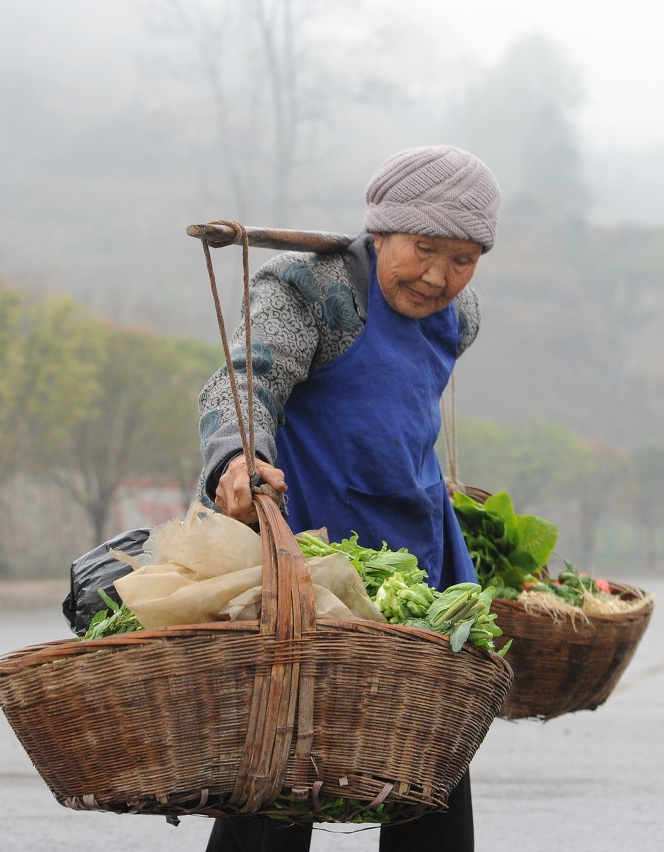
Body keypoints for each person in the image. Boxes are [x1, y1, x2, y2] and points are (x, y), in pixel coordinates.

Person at [196, 144, 501, 852]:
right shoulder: (314, 292)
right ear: (381, 232)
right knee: (277, 772)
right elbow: (244, 382)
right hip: (308, 562)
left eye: (463, 259)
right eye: (423, 249)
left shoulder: (464, 317)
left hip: (417, 566)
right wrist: (239, 458)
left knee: (428, 774)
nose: (437, 276)